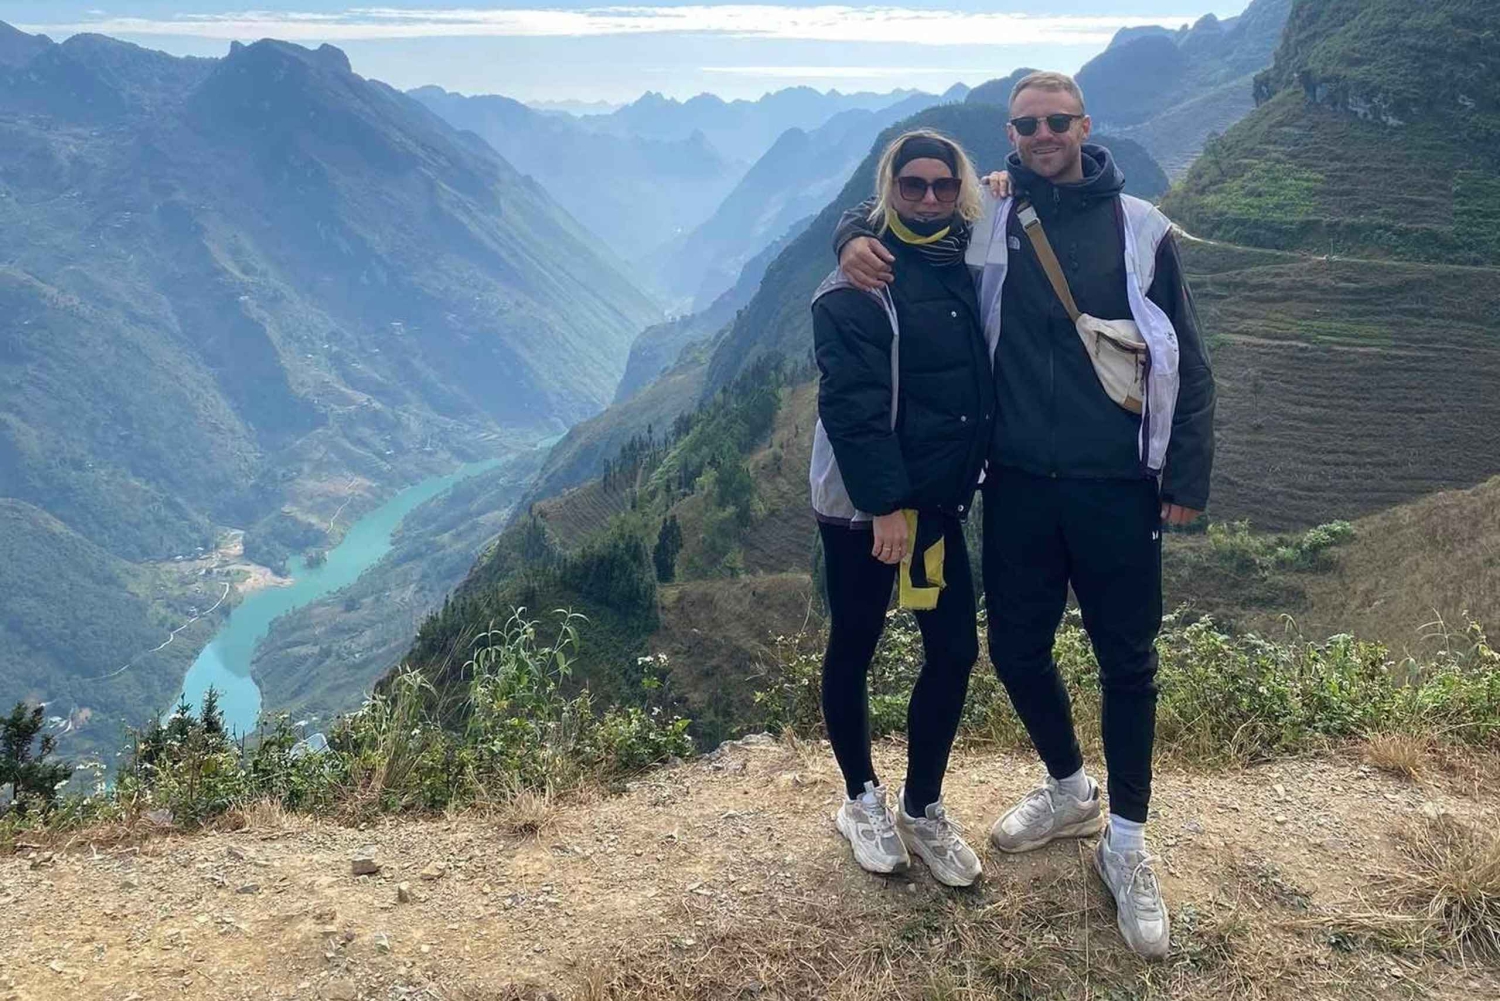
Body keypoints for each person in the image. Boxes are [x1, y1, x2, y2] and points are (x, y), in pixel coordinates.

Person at [834, 71, 1216, 959]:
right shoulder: (993, 219)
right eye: (1027, 125)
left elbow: (1188, 358)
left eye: (1056, 121)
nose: (1042, 135)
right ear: (1010, 136)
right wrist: (849, 234)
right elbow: (904, 220)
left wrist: (1186, 475)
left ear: (1085, 125)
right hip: (1016, 484)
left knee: (1128, 661)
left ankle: (1127, 842)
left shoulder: (1142, 228)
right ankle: (1070, 787)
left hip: (1117, 483)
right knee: (1014, 647)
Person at [810, 129, 996, 887]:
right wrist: (884, 505)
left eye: (943, 185)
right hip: (868, 508)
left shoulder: (967, 254)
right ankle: (860, 798)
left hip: (937, 499)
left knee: (952, 650)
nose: (928, 197)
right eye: (912, 184)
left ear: (961, 191)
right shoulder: (860, 279)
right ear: (888, 187)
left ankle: (921, 806)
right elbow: (851, 405)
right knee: (855, 640)